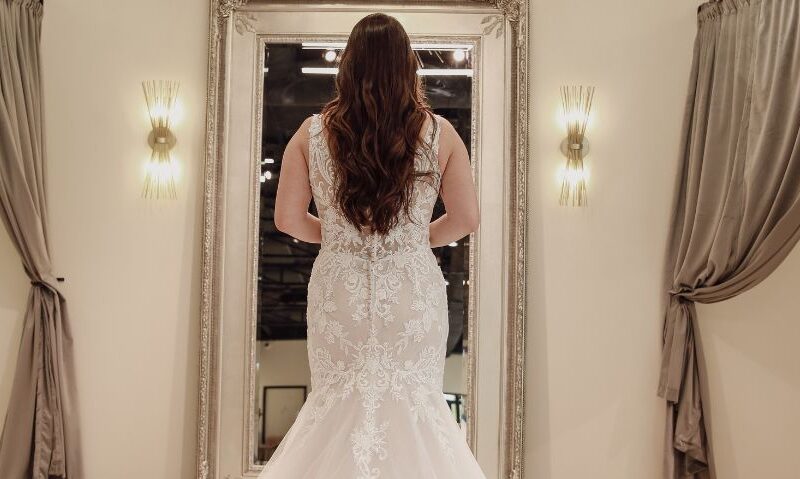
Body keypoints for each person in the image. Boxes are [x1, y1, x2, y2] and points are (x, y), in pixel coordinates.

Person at [265, 12, 483, 478]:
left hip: (339, 288)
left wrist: (342, 237)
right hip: (410, 288)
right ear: (408, 67)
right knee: (416, 405)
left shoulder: (311, 134)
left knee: (337, 403)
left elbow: (286, 218)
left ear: (348, 67)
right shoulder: (440, 133)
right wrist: (411, 239)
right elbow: (466, 219)